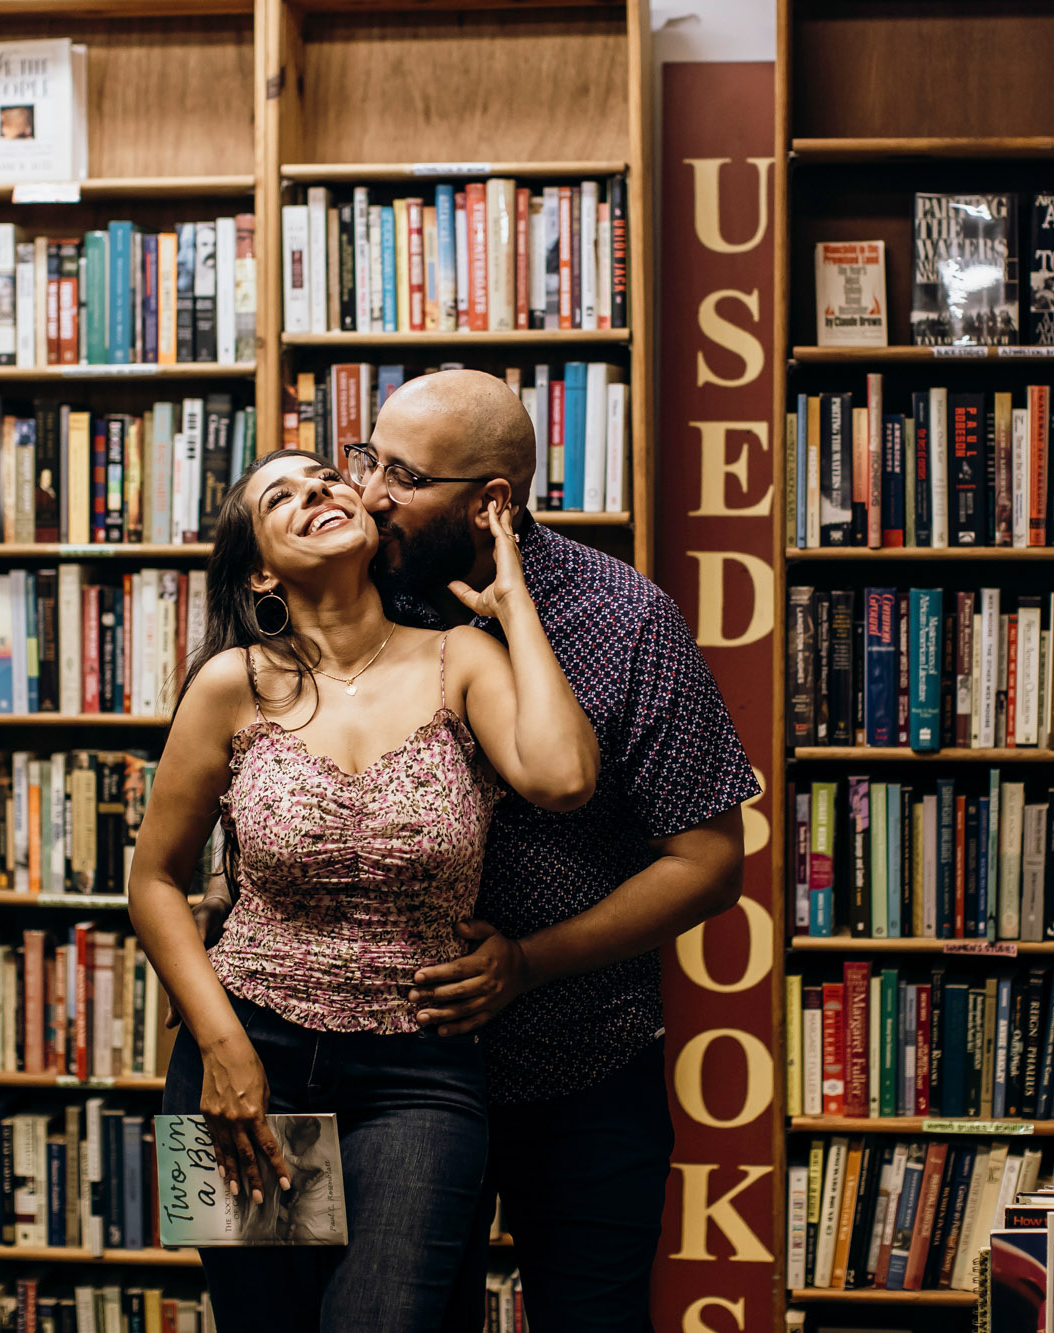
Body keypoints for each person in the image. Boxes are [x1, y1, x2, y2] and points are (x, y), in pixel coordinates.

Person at [126, 448, 599, 1333]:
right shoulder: (235, 682)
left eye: (325, 480)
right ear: (261, 565)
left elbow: (564, 775)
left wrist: (514, 602)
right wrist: (222, 1048)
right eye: (284, 498)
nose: (318, 495)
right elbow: (152, 880)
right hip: (247, 1054)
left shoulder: (462, 657)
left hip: (416, 1071)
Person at [361, 369, 759, 1329]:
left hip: (582, 1066)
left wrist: (528, 964)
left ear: (492, 499)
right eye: (366, 459)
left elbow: (710, 861)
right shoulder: (348, 600)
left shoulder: (625, 619)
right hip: (378, 1070)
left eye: (403, 476)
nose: (370, 495)